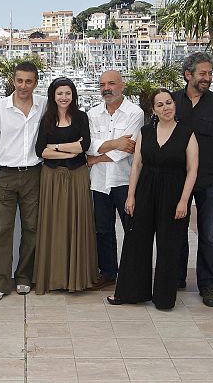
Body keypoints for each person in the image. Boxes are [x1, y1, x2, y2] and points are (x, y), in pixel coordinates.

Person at [106, 89, 198, 310]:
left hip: (174, 192)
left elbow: (192, 169)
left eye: (169, 103)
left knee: (169, 244)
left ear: (174, 105)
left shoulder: (187, 133)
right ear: (153, 109)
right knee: (136, 241)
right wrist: (130, 196)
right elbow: (136, 165)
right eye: (160, 105)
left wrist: (184, 201)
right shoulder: (145, 131)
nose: (165, 107)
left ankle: (164, 298)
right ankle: (130, 293)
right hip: (145, 190)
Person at [173, 52, 213, 307]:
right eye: (202, 73)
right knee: (176, 231)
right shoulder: (172, 102)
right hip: (176, 179)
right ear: (188, 75)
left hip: (210, 180)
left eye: (209, 73)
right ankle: (176, 278)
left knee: (208, 235)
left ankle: (208, 285)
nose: (207, 78)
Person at [0, 62, 46, 302]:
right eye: (19, 80)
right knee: (2, 229)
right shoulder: (0, 107)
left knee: (32, 228)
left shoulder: (43, 104)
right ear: (14, 80)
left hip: (33, 173)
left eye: (28, 81)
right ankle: (0, 282)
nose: (23, 86)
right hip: (5, 175)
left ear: (35, 83)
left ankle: (24, 277)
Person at [33, 77, 96, 294]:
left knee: (76, 224)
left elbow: (84, 146)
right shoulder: (47, 120)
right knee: (54, 224)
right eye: (60, 93)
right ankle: (54, 277)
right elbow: (40, 151)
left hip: (77, 176)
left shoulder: (81, 117)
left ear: (73, 95)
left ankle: (76, 278)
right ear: (53, 96)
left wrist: (57, 146)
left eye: (68, 93)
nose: (64, 97)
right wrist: (71, 147)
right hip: (51, 178)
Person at [86, 70, 144, 290]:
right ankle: (108, 272)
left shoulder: (134, 113)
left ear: (122, 85)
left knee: (132, 229)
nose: (106, 88)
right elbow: (89, 145)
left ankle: (133, 273)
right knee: (102, 229)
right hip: (99, 182)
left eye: (111, 83)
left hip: (124, 181)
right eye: (102, 84)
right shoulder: (92, 114)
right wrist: (114, 143)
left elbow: (127, 149)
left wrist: (95, 158)